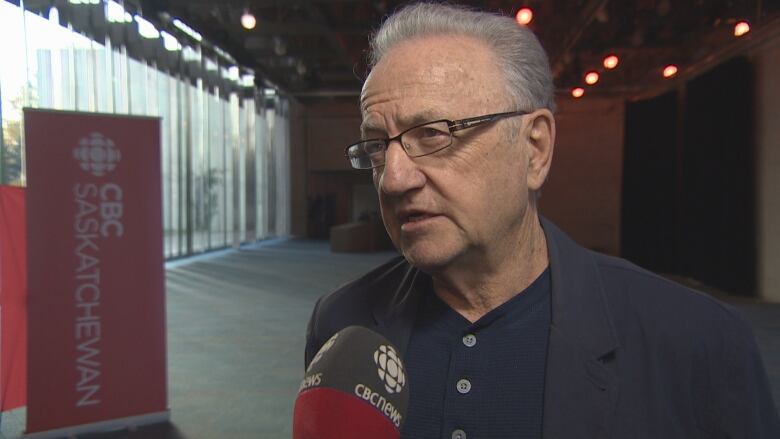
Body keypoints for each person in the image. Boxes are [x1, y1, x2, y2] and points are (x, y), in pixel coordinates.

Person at [304, 2, 780, 438]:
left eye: (433, 134)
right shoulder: (342, 323)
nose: (392, 179)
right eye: (376, 146)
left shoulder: (700, 343)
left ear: (535, 149)